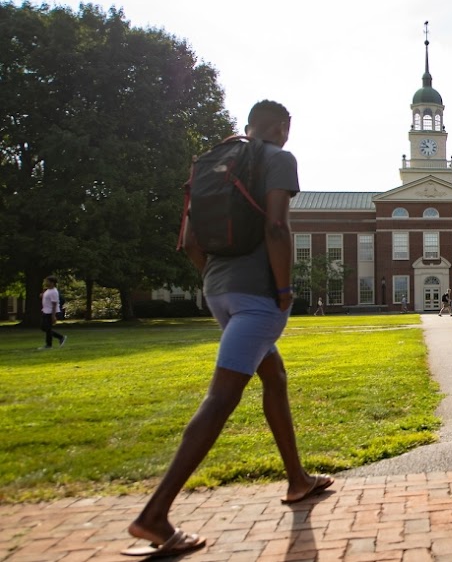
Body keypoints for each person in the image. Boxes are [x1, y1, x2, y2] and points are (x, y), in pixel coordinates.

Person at [123, 101, 332, 559]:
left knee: (273, 377)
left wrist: (215, 278)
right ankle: (154, 515)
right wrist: (282, 289)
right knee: (221, 397)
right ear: (283, 127)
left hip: (219, 291)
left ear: (247, 126)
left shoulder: (212, 163)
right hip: (257, 297)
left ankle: (298, 480)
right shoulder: (278, 158)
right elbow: (277, 227)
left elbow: (189, 241)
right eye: (286, 129)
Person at [39, 276, 66, 349]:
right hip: (46, 311)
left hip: (51, 312)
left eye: (47, 281)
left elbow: (54, 304)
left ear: (52, 283)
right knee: (44, 328)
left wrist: (53, 316)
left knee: (47, 328)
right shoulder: (48, 290)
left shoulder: (54, 292)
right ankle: (60, 337)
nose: (45, 283)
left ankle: (49, 345)